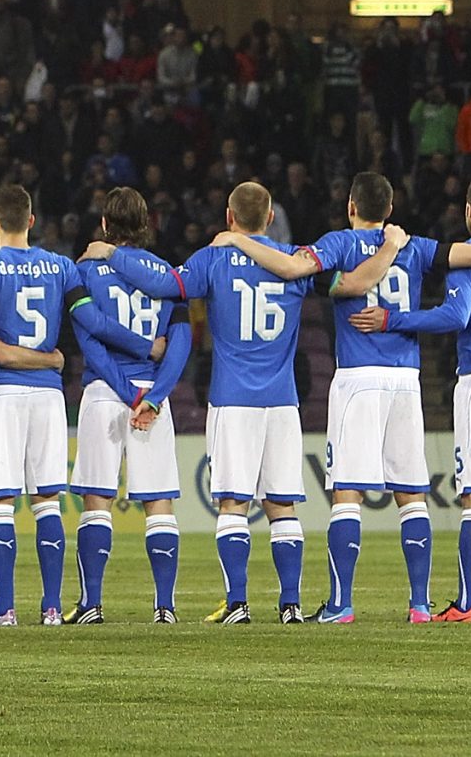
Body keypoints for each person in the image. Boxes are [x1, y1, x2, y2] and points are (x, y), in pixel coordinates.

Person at [218, 174, 471, 621]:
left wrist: (236, 241)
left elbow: (294, 268)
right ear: (390, 209)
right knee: (412, 494)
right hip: (406, 379)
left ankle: (341, 603)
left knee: (348, 493)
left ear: (351, 205)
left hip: (359, 376)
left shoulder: (337, 243)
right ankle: (419, 604)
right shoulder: (414, 245)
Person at [192, 183, 315, 623]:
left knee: (233, 503)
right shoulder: (298, 261)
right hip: (282, 400)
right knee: (283, 505)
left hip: (233, 397)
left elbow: (166, 284)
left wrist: (114, 257)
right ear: (268, 218)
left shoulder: (213, 257)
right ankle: (291, 605)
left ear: (229, 215)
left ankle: (238, 603)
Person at [68, 189, 191, 624]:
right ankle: (165, 607)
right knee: (158, 502)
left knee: (97, 499)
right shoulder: (169, 275)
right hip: (153, 394)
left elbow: (90, 341)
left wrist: (127, 393)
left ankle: (91, 605)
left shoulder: (86, 270)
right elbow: (181, 343)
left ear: (105, 225)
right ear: (146, 223)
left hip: (107, 391)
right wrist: (153, 397)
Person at [0, 183, 81, 626]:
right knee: (48, 501)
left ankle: (6, 607)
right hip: (48, 394)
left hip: (4, 392)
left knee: (0, 503)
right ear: (32, 222)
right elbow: (85, 321)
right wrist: (52, 358)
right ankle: (51, 607)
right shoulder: (61, 266)